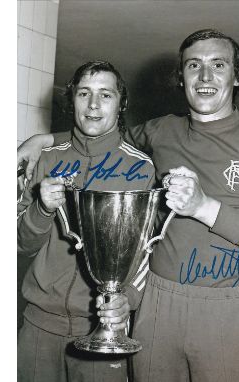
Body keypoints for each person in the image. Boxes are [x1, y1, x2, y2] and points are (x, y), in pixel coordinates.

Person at [18, 29, 239, 382]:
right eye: (193, 65)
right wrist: (42, 140)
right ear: (180, 77)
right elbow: (102, 134)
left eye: (218, 64)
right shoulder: (160, 131)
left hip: (229, 304)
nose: (204, 76)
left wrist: (203, 206)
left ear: (237, 75)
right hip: (158, 305)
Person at [17, 60, 155, 382]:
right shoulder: (45, 159)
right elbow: (19, 244)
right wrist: (41, 208)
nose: (93, 105)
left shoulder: (142, 168)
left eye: (105, 95)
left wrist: (127, 300)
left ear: (121, 104)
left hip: (102, 330)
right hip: (39, 326)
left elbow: (148, 252)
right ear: (72, 100)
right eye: (84, 93)